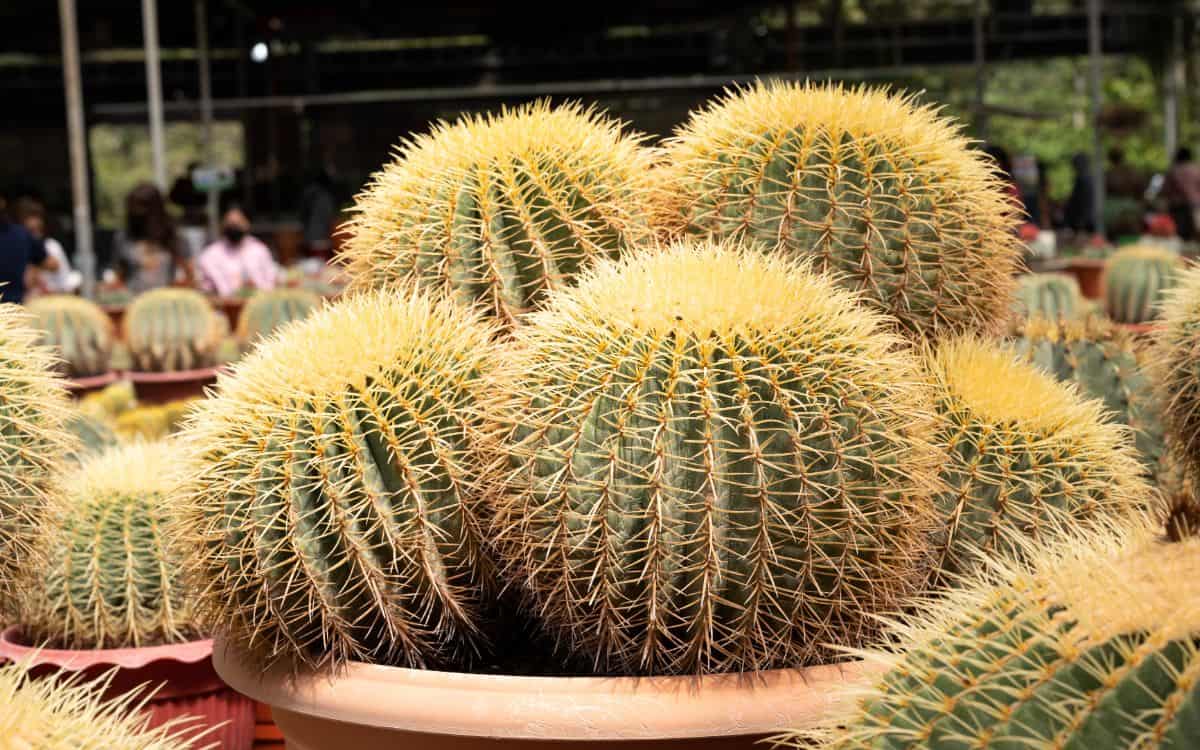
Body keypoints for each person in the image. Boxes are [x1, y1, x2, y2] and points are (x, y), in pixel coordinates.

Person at [112, 183, 191, 292]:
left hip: (165, 302)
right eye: (133, 207)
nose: (137, 212)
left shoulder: (173, 237)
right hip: (133, 303)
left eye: (141, 207)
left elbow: (189, 274)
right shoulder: (124, 238)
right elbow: (119, 276)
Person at [196, 206, 277, 298]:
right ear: (222, 224)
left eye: (238, 223)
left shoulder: (260, 250)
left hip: (258, 306)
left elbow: (271, 281)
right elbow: (211, 287)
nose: (234, 226)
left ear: (247, 223)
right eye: (231, 223)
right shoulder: (210, 254)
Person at [0, 191, 57, 304]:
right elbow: (52, 264)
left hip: (14, 308)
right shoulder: (21, 234)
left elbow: (53, 264)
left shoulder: (21, 234)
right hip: (15, 308)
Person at [14, 198, 78, 294]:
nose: (35, 235)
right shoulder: (18, 247)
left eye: (37, 229)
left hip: (56, 297)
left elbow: (53, 265)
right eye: (31, 231)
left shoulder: (51, 246)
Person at [1163, 147, 1200, 241]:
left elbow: (1166, 189)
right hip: (1195, 205)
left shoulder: (1173, 170)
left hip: (1177, 206)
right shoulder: (1196, 169)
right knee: (1195, 233)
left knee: (1178, 234)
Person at [299, 168, 337, 259]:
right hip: (322, 239)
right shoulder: (325, 197)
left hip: (308, 237)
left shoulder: (307, 193)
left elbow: (302, 214)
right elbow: (329, 217)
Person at [1064, 153, 1096, 234]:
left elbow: (1077, 200)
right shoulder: (1091, 177)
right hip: (1088, 216)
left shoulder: (1082, 179)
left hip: (1084, 218)